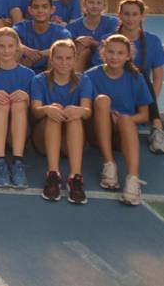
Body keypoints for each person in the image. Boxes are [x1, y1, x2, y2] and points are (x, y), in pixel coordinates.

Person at [92, 0, 164, 154]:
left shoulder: (153, 41)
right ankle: (154, 118)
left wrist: (149, 103)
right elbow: (98, 73)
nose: (130, 19)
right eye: (126, 14)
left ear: (143, 16)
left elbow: (158, 77)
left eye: (135, 14)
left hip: (138, 96)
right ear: (119, 15)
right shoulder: (108, 40)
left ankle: (156, 124)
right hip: (110, 98)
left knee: (139, 72)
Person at [85, 34, 152, 205]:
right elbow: (85, 108)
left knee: (126, 119)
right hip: (96, 131)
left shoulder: (136, 77)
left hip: (122, 133)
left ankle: (133, 179)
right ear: (103, 53)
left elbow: (144, 115)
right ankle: (109, 164)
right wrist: (108, 115)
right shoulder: (90, 76)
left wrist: (120, 119)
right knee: (102, 100)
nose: (114, 57)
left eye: (120, 53)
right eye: (110, 52)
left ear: (128, 56)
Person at [32, 40, 93, 204]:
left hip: (70, 142)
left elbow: (87, 111)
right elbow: (35, 111)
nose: (64, 62)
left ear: (75, 59)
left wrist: (80, 111)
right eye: (59, 58)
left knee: (75, 115)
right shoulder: (39, 80)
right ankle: (52, 174)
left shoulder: (83, 80)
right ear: (51, 59)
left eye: (68, 58)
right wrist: (47, 109)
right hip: (44, 139)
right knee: (55, 110)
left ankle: (75, 177)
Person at [0, 27, 35, 188]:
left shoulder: (29, 75)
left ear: (18, 47)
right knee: (2, 103)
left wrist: (27, 98)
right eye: (2, 46)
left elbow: (35, 110)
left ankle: (18, 162)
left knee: (19, 102)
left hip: (17, 136)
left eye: (10, 46)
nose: (6, 50)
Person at [15, 0, 72, 73]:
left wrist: (41, 54)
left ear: (52, 9)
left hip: (51, 73)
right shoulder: (21, 28)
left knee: (55, 56)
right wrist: (25, 50)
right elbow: (5, 38)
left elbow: (68, 46)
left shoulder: (61, 32)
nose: (40, 11)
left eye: (44, 7)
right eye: (36, 7)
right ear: (30, 10)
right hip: (24, 70)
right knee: (13, 50)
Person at [67, 0, 118, 72]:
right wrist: (76, 41)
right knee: (82, 47)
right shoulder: (73, 26)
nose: (95, 6)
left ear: (104, 6)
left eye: (99, 3)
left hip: (105, 62)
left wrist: (92, 43)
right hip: (80, 61)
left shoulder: (112, 23)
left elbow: (115, 46)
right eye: (91, 2)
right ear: (84, 4)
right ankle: (77, 77)